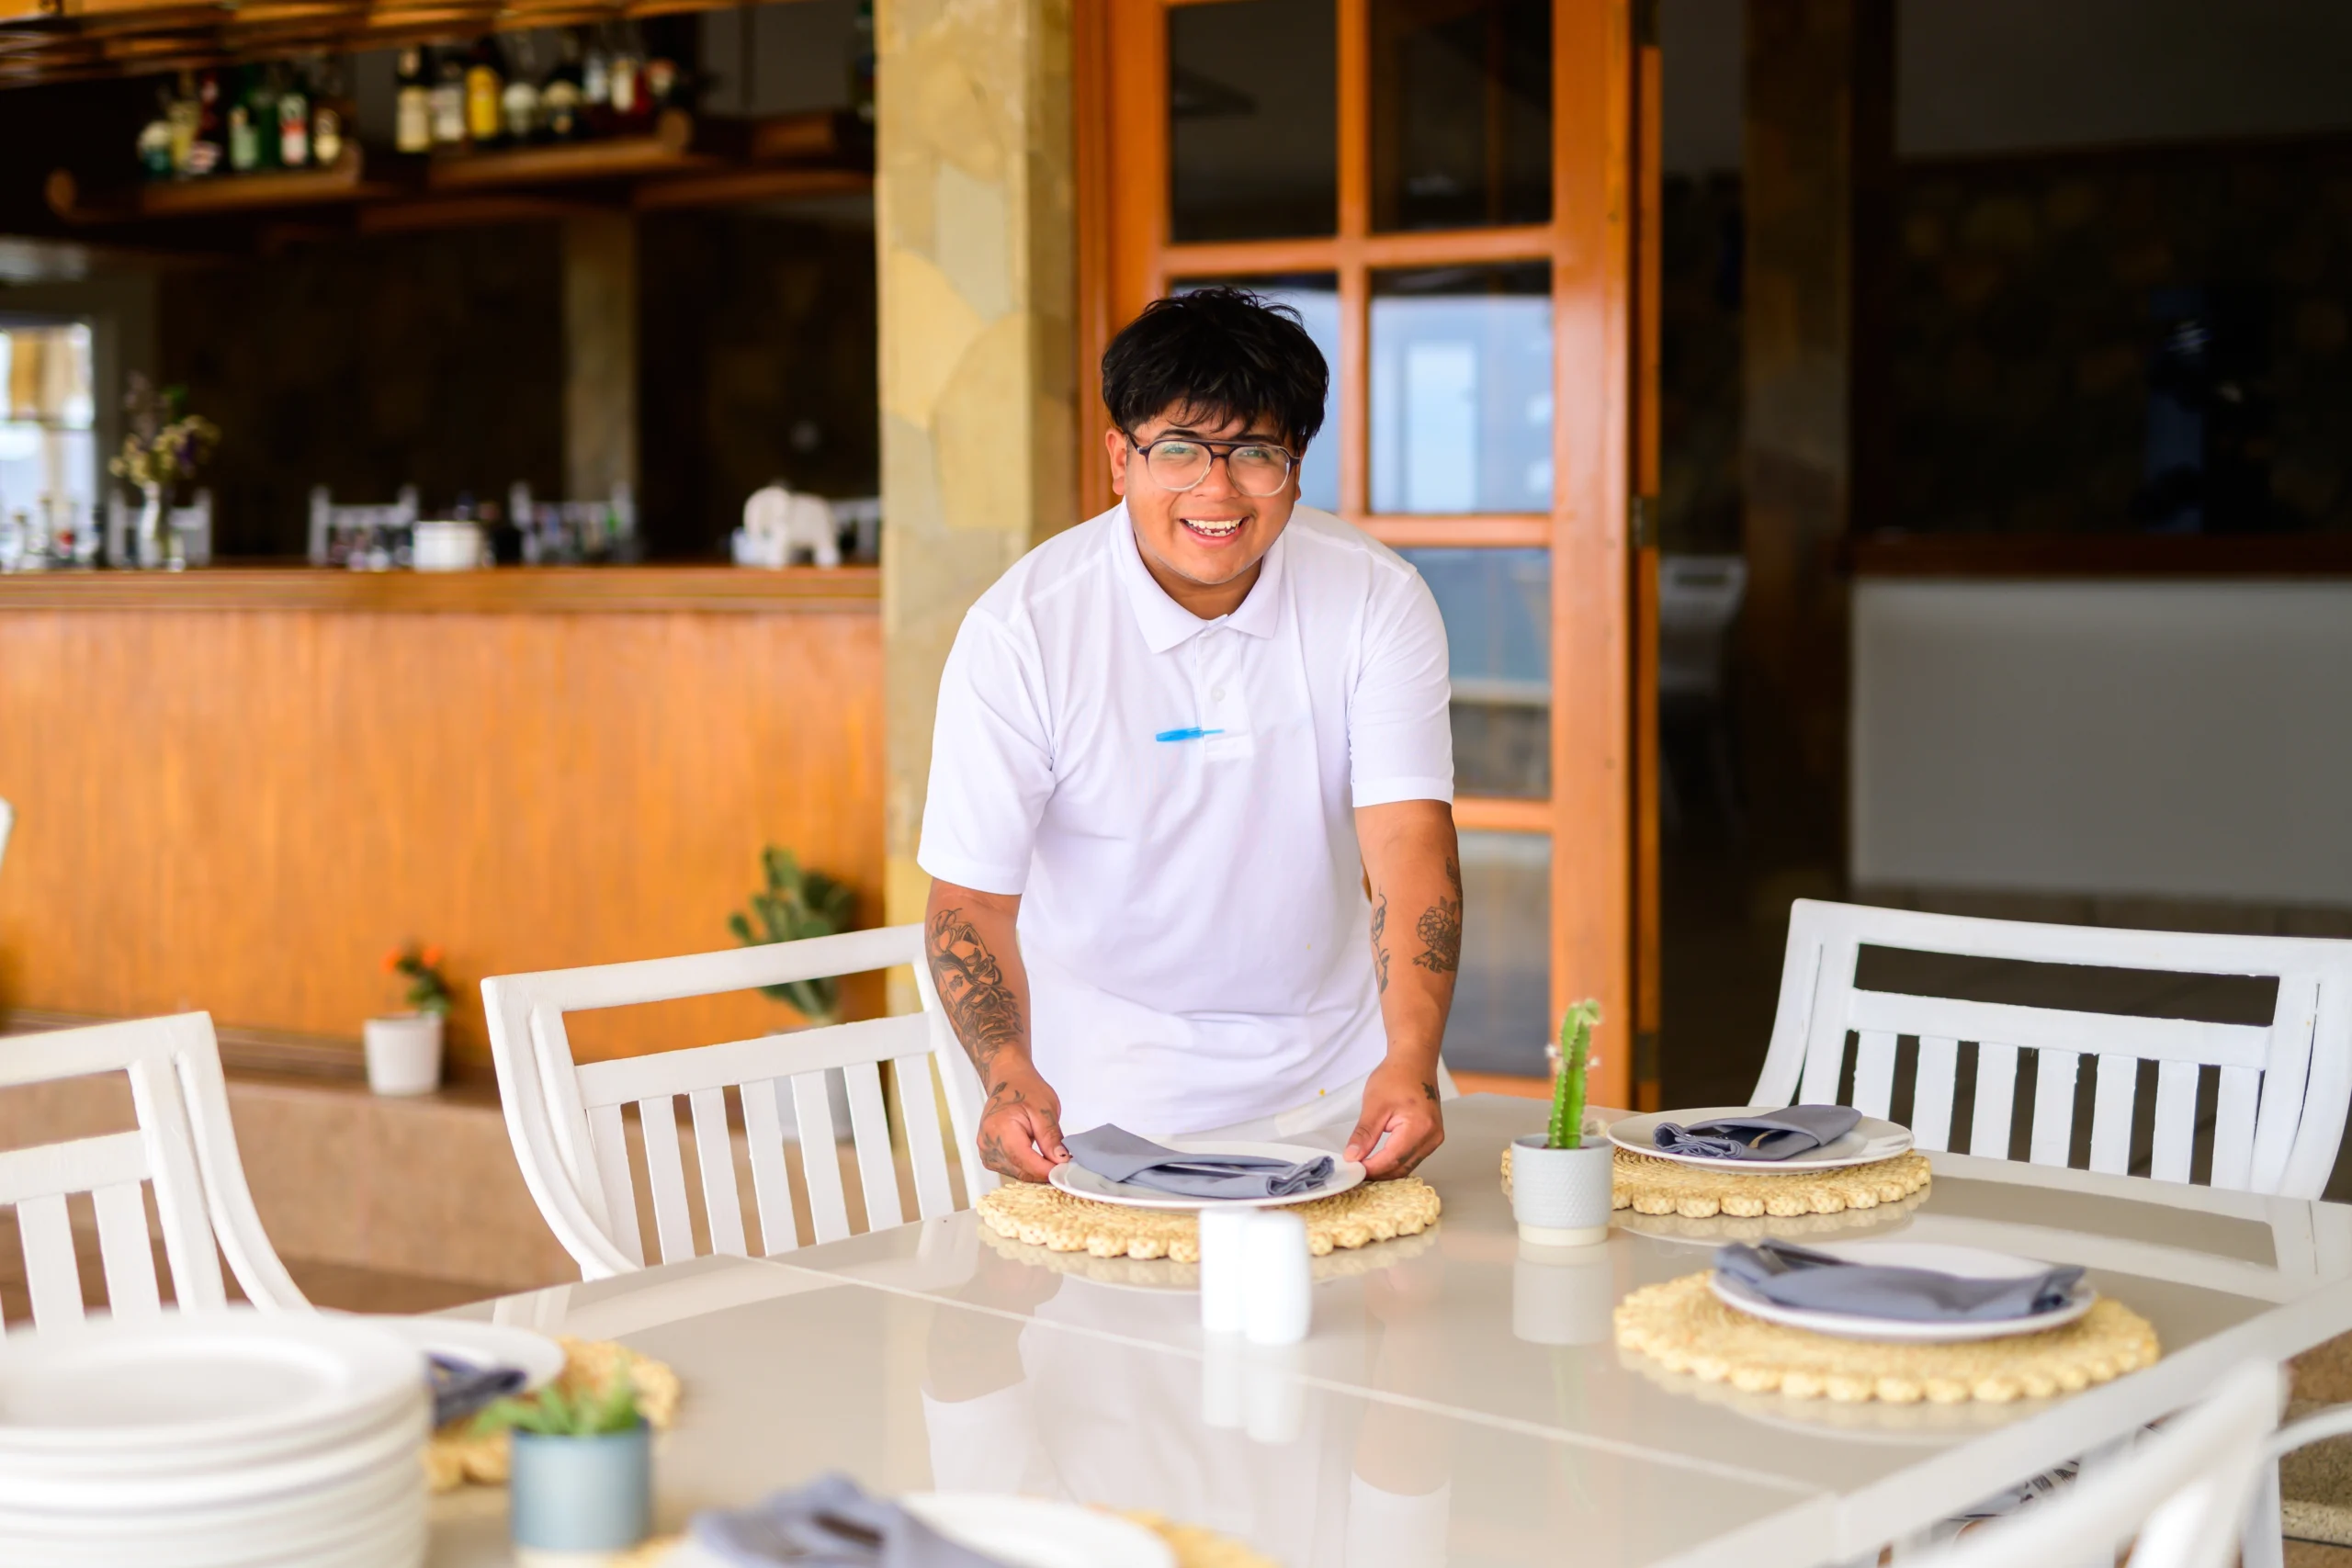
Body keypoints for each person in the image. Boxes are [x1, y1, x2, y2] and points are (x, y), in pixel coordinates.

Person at [918, 287, 1461, 1183]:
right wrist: (1008, 1074)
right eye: (1177, 450)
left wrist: (1406, 1060)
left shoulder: (1374, 596)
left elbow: (1407, 838)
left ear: (1295, 461)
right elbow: (970, 900)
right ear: (1118, 459)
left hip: (1350, 1086)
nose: (1216, 489)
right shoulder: (1024, 628)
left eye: (1255, 453)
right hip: (1104, 1112)